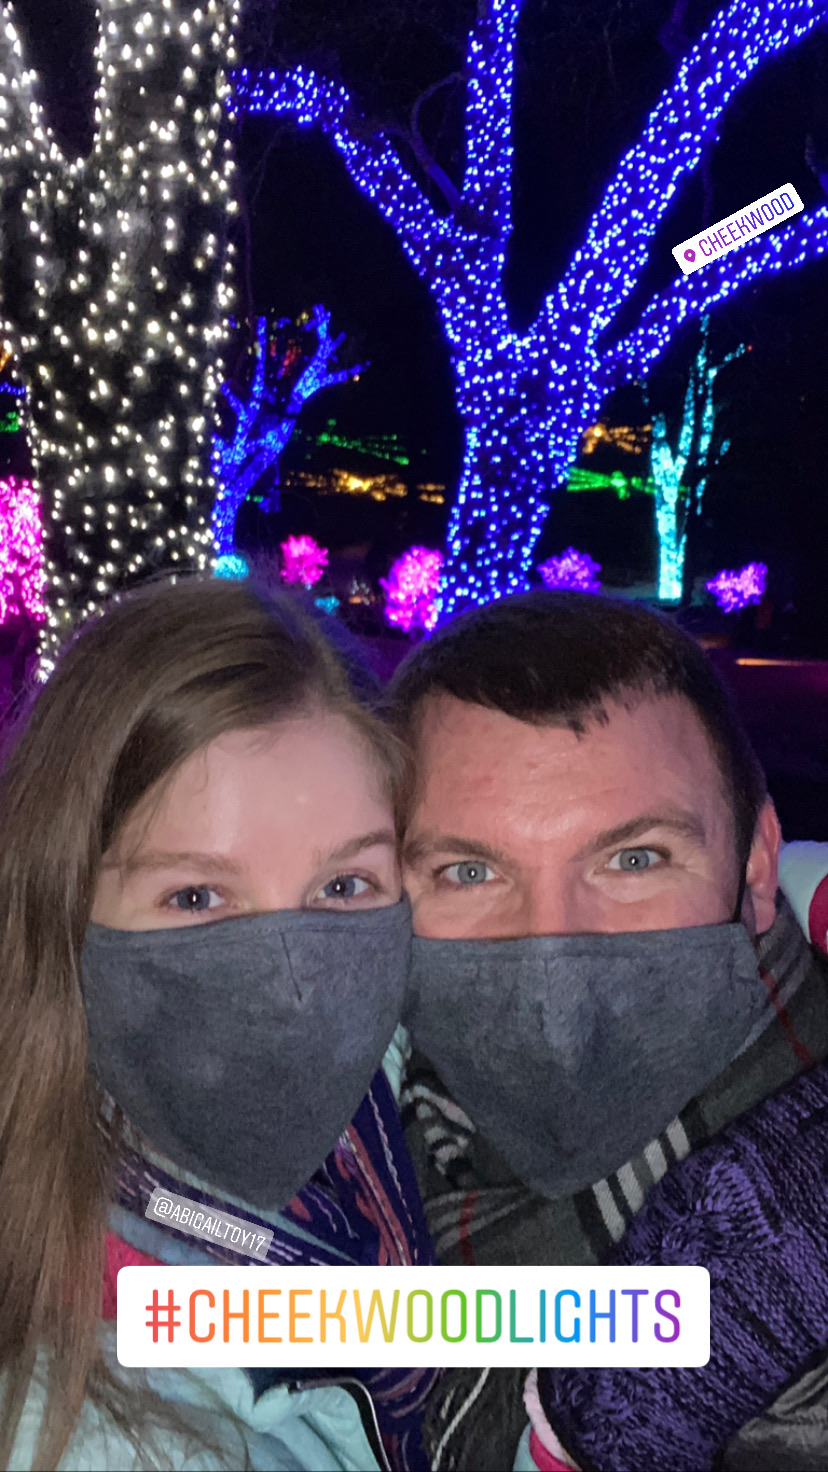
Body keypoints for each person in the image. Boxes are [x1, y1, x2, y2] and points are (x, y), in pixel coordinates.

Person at [386, 590, 828, 1470]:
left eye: (634, 859)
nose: (554, 947)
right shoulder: (344, 1164)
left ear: (755, 861)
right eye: (470, 871)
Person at [0, 577, 433, 1472]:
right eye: (197, 896)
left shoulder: (389, 1113)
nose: (293, 989)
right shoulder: (84, 1429)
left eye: (343, 887)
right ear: (62, 910)